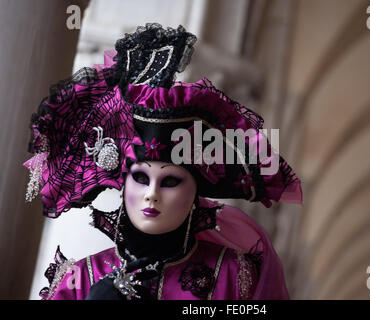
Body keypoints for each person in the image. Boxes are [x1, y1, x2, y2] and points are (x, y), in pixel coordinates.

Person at [24, 23, 302, 300]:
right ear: (123, 184)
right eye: (141, 178)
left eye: (170, 181)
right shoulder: (82, 277)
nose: (152, 195)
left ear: (195, 192)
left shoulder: (234, 275)